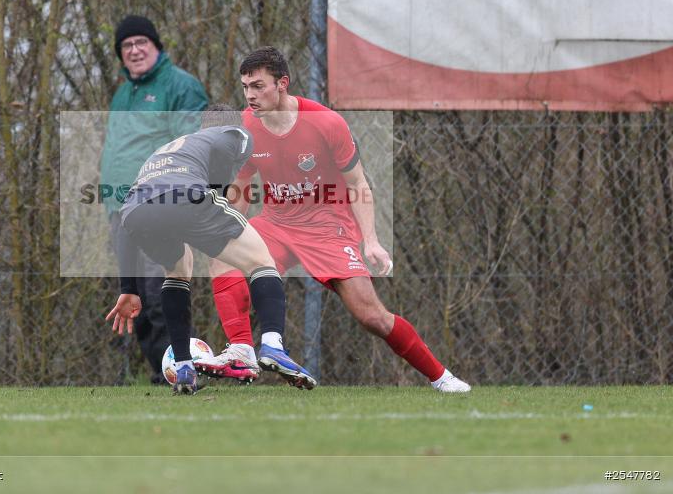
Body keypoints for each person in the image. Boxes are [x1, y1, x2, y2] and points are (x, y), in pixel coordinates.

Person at [195, 47, 471, 393]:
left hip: (328, 226)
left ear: (283, 84)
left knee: (371, 316)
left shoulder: (326, 123)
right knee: (222, 255)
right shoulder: (247, 126)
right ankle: (242, 351)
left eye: (258, 86)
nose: (250, 95)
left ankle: (442, 378)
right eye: (246, 86)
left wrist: (370, 240)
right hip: (277, 222)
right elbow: (242, 185)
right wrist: (226, 226)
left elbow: (357, 183)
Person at [105, 105, 316, 394]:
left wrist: (128, 288)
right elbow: (218, 186)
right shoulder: (235, 134)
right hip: (187, 196)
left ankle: (183, 367)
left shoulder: (169, 150)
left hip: (136, 210)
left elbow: (127, 224)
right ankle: (272, 345)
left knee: (178, 270)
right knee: (260, 260)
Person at [100, 15, 208, 384]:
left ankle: (183, 367)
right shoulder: (122, 93)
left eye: (141, 42)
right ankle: (165, 374)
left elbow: (191, 145)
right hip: (122, 211)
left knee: (159, 296)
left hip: (158, 207)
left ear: (157, 45)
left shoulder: (180, 86)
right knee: (134, 305)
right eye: (126, 46)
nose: (134, 50)